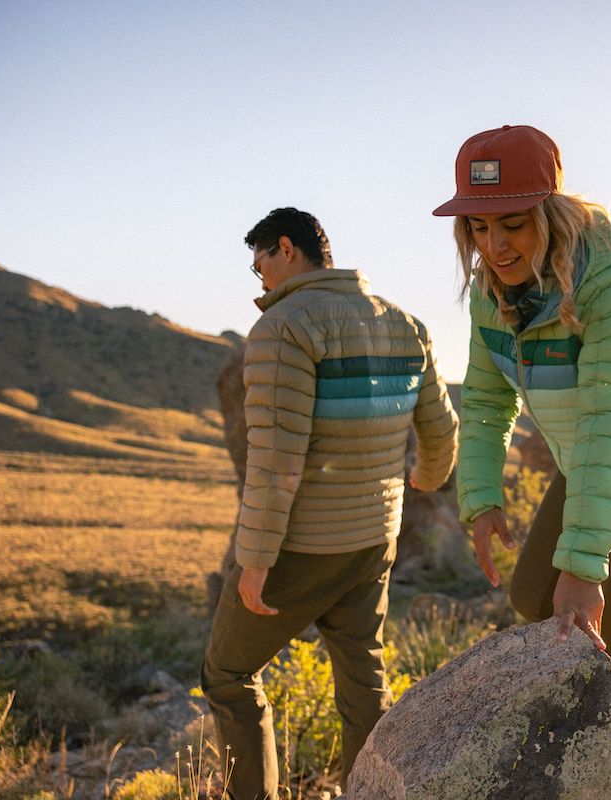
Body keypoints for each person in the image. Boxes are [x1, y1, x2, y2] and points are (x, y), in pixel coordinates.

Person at [201, 208, 459, 800]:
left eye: (259, 261)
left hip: (302, 546)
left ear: (286, 250)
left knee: (229, 675)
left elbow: (277, 456)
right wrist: (425, 475)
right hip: (374, 538)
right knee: (363, 683)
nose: (258, 277)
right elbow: (443, 430)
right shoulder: (406, 324)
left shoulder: (283, 328)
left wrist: (257, 559)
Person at [433, 125, 611, 676]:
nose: (493, 245)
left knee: (592, 630)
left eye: (511, 224)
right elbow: (484, 400)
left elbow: (607, 424)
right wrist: (481, 498)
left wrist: (584, 569)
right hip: (587, 466)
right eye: (478, 227)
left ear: (550, 215)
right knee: (533, 601)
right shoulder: (493, 293)